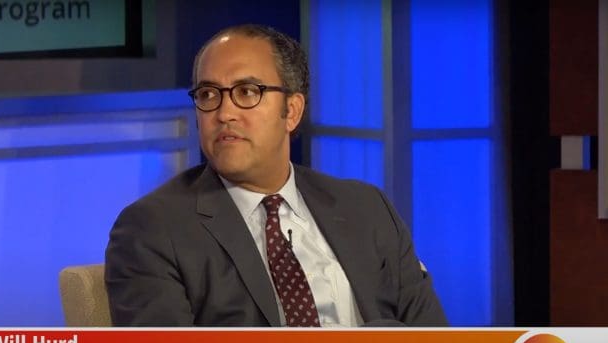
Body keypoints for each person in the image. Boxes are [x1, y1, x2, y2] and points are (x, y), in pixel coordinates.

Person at [105, 24, 447, 327]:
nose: (224, 113)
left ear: (292, 111)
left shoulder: (366, 207)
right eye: (208, 94)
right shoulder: (152, 229)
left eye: (247, 92)